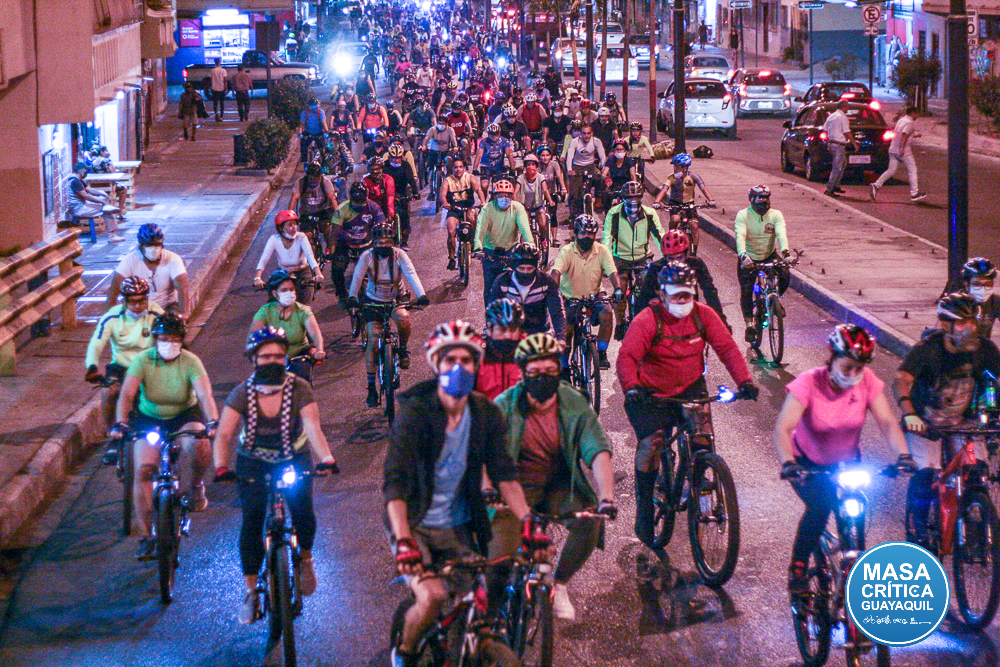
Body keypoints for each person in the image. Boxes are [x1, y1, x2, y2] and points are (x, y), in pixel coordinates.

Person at [384, 321, 534, 667]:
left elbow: (504, 475)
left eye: (467, 360)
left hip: (462, 525)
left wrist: (528, 521)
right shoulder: (415, 413)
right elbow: (396, 483)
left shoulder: (485, 414)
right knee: (433, 596)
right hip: (414, 524)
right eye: (450, 359)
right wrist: (404, 540)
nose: (459, 367)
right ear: (436, 363)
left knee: (478, 603)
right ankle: (404, 652)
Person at [616, 262, 757, 548]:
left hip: (691, 386)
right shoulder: (647, 320)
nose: (682, 301)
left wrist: (744, 381)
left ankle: (700, 476)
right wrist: (632, 388)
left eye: (687, 295)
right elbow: (627, 357)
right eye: (676, 295)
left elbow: (727, 348)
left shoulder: (703, 315)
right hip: (651, 394)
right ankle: (645, 506)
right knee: (652, 443)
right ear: (662, 294)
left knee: (703, 439)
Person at [775, 324, 915, 598]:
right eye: (848, 367)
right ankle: (798, 569)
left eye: (859, 368)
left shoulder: (867, 381)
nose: (853, 375)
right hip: (807, 464)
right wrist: (788, 463)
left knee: (854, 509)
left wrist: (903, 455)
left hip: (847, 463)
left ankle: (854, 565)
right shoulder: (809, 382)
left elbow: (887, 422)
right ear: (833, 358)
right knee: (820, 506)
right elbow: (784, 427)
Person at [212, 327, 339, 624]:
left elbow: (313, 428)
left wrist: (327, 459)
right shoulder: (241, 392)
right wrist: (221, 467)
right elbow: (224, 434)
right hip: (253, 462)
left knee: (304, 513)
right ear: (253, 359)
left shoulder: (300, 388)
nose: (273, 361)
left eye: (279, 356)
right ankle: (251, 592)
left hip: (293, 458)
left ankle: (305, 559)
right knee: (252, 521)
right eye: (266, 356)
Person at [488, 332, 617, 621]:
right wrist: (488, 489)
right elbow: (484, 454)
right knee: (498, 565)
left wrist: (607, 496)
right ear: (522, 373)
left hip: (557, 486)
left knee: (590, 521)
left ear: (558, 369)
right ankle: (488, 625)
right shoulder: (503, 406)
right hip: (511, 490)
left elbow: (597, 449)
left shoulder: (573, 403)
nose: (543, 378)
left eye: (549, 371)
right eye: (535, 373)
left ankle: (559, 585)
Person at [109, 311, 218, 560]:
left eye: (174, 339)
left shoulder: (191, 361)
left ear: (182, 341)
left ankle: (196, 485)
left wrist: (212, 421)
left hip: (183, 415)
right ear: (155, 339)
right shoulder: (143, 360)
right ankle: (148, 536)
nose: (169, 343)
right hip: (149, 419)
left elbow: (204, 395)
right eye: (164, 338)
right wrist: (121, 422)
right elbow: (127, 394)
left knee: (200, 444)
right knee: (143, 470)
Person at [896, 293, 1000, 547]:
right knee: (926, 476)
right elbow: (902, 380)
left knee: (977, 471)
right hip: (925, 424)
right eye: (962, 323)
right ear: (945, 324)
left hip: (965, 422)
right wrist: (909, 413)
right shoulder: (927, 349)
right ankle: (919, 530)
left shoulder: (985, 349)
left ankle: (975, 514)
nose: (970, 329)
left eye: (973, 322)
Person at [348, 222, 431, 407]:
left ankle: (403, 349)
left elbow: (411, 274)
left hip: (396, 298)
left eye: (387, 243)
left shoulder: (400, 255)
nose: (383, 246)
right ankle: (371, 387)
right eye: (380, 243)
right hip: (373, 301)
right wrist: (352, 297)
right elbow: (357, 277)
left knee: (404, 318)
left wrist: (422, 295)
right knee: (372, 340)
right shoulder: (367, 256)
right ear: (374, 243)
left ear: (393, 242)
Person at [86, 277, 164, 438]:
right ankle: (111, 431)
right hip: (121, 366)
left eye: (142, 301)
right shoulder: (112, 317)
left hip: (148, 364)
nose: (137, 306)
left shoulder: (157, 314)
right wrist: (92, 366)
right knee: (108, 391)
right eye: (133, 302)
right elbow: (96, 343)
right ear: (124, 301)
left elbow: (170, 336)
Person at [551, 214, 622, 369]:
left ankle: (601, 352)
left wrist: (617, 288)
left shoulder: (602, 250)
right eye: (583, 233)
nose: (587, 237)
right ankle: (563, 366)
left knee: (607, 314)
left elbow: (612, 272)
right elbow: (556, 272)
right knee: (566, 331)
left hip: (594, 295)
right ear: (575, 234)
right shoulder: (567, 251)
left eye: (590, 233)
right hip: (570, 297)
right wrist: (554, 293)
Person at [604, 181, 667, 339]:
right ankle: (620, 323)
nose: (633, 201)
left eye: (636, 197)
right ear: (623, 198)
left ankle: (647, 323)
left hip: (643, 258)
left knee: (649, 291)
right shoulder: (614, 214)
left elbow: (660, 236)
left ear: (641, 198)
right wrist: (605, 264)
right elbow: (607, 239)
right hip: (621, 258)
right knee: (619, 293)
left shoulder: (649, 213)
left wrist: (668, 258)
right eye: (629, 198)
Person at [637, 229, 728, 328]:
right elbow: (644, 297)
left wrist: (721, 321)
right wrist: (639, 325)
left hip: (690, 314)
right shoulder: (656, 268)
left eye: (679, 257)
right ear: (665, 257)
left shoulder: (696, 264)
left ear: (687, 254)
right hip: (664, 318)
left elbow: (710, 291)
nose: (675, 262)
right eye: (671, 258)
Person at [735, 184, 790, 343]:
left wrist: (786, 253)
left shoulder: (775, 215)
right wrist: (743, 255)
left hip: (768, 255)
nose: (764, 203)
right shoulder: (743, 215)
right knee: (746, 290)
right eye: (761, 200)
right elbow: (740, 235)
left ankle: (774, 300)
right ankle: (749, 325)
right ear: (752, 200)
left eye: (767, 199)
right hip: (749, 258)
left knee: (785, 274)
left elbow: (781, 234)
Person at [250, 269, 326, 381]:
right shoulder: (265, 311)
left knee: (302, 379)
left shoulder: (302, 311)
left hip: (300, 355)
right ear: (275, 293)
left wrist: (319, 350)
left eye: (291, 290)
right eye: (284, 290)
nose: (289, 293)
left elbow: (316, 333)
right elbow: (254, 335)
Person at [474, 179, 536, 307]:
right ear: (495, 196)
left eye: (507, 195)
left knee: (520, 286)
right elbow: (480, 230)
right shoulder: (487, 209)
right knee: (490, 288)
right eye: (501, 195)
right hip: (490, 252)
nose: (504, 198)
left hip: (511, 251)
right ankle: (489, 317)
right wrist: (478, 248)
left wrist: (531, 245)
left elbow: (525, 229)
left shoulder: (518, 208)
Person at [487, 243, 566, 341]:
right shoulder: (502, 281)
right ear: (514, 267)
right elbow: (493, 310)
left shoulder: (546, 281)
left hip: (540, 332)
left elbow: (557, 311)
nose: (525, 272)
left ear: (536, 267)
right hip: (511, 333)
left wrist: (561, 337)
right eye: (521, 268)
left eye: (530, 268)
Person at [106, 223, 189, 316]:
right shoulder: (129, 261)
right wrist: (109, 317)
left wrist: (184, 314)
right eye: (149, 245)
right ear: (141, 245)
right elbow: (113, 291)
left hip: (167, 307)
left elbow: (182, 287)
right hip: (140, 309)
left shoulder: (173, 259)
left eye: (157, 245)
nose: (153, 249)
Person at [327, 182, 386, 304]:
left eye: (361, 204)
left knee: (381, 267)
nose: (358, 206)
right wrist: (332, 253)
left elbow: (382, 228)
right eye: (355, 204)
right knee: (337, 269)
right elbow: (334, 233)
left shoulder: (374, 207)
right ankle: (342, 294)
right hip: (346, 244)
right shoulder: (341, 209)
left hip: (367, 243)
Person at [252, 209, 323, 305]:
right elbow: (264, 258)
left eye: (295, 224)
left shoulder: (301, 237)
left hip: (303, 273)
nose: (294, 227)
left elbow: (310, 256)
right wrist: (258, 277)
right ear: (281, 228)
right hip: (283, 273)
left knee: (306, 305)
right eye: (289, 225)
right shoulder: (274, 239)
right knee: (276, 302)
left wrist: (318, 273)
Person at [652, 153, 715, 252]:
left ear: (685, 168)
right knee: (675, 219)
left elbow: (703, 188)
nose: (674, 169)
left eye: (677, 167)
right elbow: (664, 190)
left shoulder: (693, 176)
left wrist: (711, 200)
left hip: (689, 204)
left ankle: (694, 251)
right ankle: (671, 237)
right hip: (675, 204)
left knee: (694, 226)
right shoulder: (671, 178)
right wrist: (657, 202)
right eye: (674, 166)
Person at [871, 105, 926, 203]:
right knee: (912, 170)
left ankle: (876, 185)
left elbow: (902, 133)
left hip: (893, 149)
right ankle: (914, 193)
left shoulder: (901, 120)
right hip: (904, 151)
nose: (918, 116)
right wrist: (902, 148)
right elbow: (904, 134)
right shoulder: (910, 122)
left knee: (891, 170)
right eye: (917, 114)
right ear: (913, 113)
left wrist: (914, 135)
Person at [441, 156, 486, 270]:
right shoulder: (448, 180)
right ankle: (452, 258)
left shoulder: (470, 178)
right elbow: (443, 195)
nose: (458, 169)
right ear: (453, 169)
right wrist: (445, 203)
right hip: (454, 209)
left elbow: (478, 190)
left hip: (468, 208)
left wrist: (483, 202)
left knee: (473, 219)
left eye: (460, 167)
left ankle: (473, 243)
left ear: (465, 168)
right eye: (456, 167)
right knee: (451, 231)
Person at [476, 297, 525, 400]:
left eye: (513, 329)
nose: (508, 335)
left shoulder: (529, 353)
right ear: (489, 330)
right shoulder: (477, 356)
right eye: (502, 329)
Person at [64, 162, 125, 242]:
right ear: (81, 171)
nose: (86, 172)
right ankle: (112, 235)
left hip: (82, 205)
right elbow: (86, 196)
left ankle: (112, 230)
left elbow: (90, 190)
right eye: (85, 170)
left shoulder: (78, 180)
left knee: (103, 199)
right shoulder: (75, 181)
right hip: (79, 209)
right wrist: (103, 202)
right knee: (107, 210)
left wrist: (103, 194)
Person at [288, 162, 339, 258]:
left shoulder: (325, 182)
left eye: (316, 178)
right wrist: (290, 217)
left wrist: (338, 216)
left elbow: (332, 200)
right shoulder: (301, 183)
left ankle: (330, 248)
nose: (313, 181)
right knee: (306, 237)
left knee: (328, 230)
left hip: (323, 211)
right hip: (307, 213)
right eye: (311, 179)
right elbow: (294, 198)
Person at [514, 154, 554, 259]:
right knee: (525, 227)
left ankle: (543, 240)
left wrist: (550, 200)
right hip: (525, 207)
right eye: (528, 165)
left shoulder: (540, 177)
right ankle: (523, 249)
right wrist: (514, 203)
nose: (530, 167)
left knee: (543, 223)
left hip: (538, 206)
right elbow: (516, 191)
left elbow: (545, 190)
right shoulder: (521, 178)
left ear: (536, 166)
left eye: (533, 164)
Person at [565, 124, 606, 219]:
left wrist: (604, 168)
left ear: (592, 133)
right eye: (584, 133)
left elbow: (602, 155)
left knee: (600, 178)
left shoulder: (596, 141)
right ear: (581, 134)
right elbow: (570, 156)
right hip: (577, 166)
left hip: (590, 166)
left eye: (588, 133)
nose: (586, 136)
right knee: (574, 193)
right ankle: (573, 215)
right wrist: (569, 169)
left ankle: (598, 199)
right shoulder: (575, 142)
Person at [954, 257, 1000, 340]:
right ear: (967, 284)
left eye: (987, 284)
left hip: (983, 346)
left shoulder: (995, 301)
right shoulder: (955, 302)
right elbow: (940, 333)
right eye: (976, 284)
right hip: (957, 346)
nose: (982, 289)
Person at [822, 99, 860, 198]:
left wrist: (831, 137)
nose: (848, 108)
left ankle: (836, 185)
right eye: (847, 106)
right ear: (844, 106)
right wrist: (854, 143)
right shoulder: (842, 117)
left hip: (832, 143)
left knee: (842, 164)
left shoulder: (831, 116)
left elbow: (825, 129)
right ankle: (829, 189)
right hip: (839, 145)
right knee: (837, 167)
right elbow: (847, 132)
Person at [384, 145, 419, 248]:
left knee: (405, 215)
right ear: (389, 157)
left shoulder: (405, 165)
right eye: (393, 158)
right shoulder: (384, 166)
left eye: (398, 158)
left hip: (402, 192)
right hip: (387, 193)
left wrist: (415, 193)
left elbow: (411, 180)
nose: (396, 160)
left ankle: (404, 240)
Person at [537, 145, 567, 246]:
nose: (545, 158)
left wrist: (563, 188)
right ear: (539, 156)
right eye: (542, 155)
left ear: (551, 156)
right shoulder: (537, 166)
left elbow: (559, 176)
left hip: (552, 192)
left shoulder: (554, 164)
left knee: (553, 215)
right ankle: (541, 237)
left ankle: (554, 239)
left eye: (547, 155)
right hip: (540, 193)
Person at [473, 122, 515, 190]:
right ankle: (484, 197)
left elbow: (509, 154)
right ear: (488, 134)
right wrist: (475, 169)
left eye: (496, 134)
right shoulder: (484, 142)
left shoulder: (504, 141)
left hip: (499, 167)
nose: (494, 136)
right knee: (484, 186)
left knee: (502, 186)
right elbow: (479, 155)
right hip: (486, 167)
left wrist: (512, 169)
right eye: (492, 134)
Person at [601, 139, 637, 212]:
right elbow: (604, 174)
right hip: (613, 184)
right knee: (606, 195)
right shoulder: (611, 160)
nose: (619, 151)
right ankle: (607, 214)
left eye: (621, 149)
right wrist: (607, 179)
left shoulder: (629, 161)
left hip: (626, 185)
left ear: (625, 151)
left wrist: (635, 187)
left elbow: (633, 176)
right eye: (617, 149)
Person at [361, 157, 397, 221]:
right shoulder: (365, 180)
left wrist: (390, 215)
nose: (375, 171)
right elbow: (364, 198)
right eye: (372, 169)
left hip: (385, 208)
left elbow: (390, 197)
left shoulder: (388, 179)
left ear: (381, 169)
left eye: (377, 169)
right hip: (371, 209)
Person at [298, 97, 330, 164]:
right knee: (303, 145)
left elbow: (324, 123)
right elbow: (301, 125)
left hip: (319, 132)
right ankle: (305, 161)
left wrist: (327, 131)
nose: (314, 109)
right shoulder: (305, 113)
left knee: (323, 147)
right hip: (308, 132)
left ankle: (324, 164)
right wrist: (300, 133)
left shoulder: (321, 112)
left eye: (315, 107)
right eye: (312, 107)